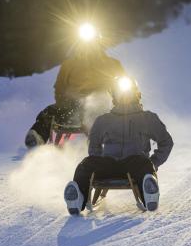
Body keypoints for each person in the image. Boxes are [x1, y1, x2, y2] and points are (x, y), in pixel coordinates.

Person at [64, 77, 173, 214]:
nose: (123, 97)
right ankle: (77, 198)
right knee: (85, 165)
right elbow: (94, 144)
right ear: (114, 96)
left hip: (135, 163)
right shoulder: (103, 120)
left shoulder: (147, 118)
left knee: (144, 164)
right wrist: (98, 159)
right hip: (109, 164)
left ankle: (149, 195)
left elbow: (166, 142)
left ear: (136, 94)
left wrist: (153, 162)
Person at [25, 24, 127, 148]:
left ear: (99, 42)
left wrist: (129, 100)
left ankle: (124, 141)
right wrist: (63, 104)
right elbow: (60, 88)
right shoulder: (69, 64)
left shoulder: (111, 64)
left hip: (103, 105)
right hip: (75, 106)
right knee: (48, 112)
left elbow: (126, 83)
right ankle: (37, 137)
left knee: (114, 110)